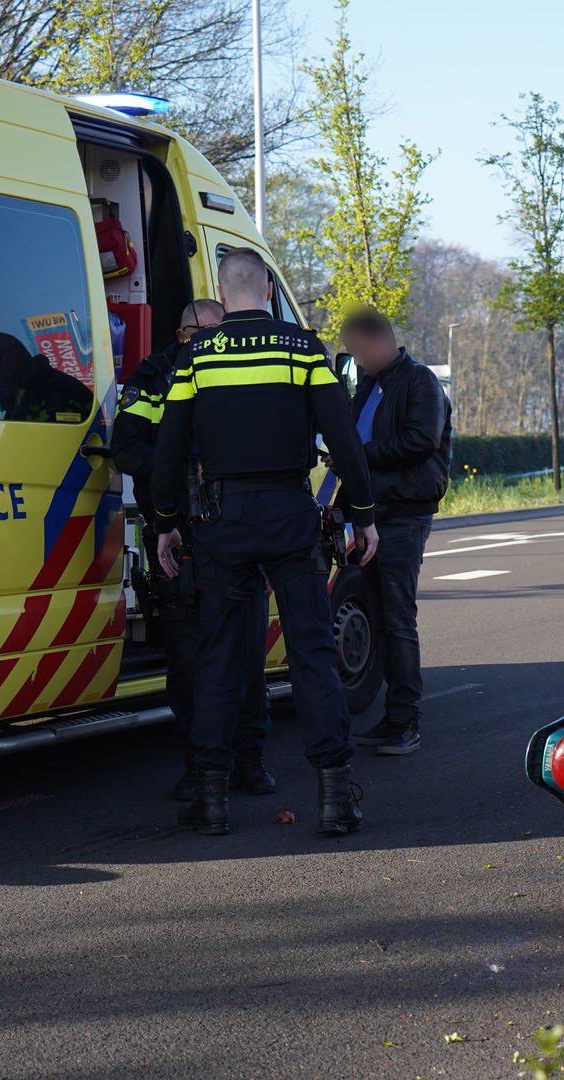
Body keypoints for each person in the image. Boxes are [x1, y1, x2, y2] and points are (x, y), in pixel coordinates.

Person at [152, 249, 379, 837]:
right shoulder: (303, 349)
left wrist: (167, 523)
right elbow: (345, 442)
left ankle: (211, 797)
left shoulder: (194, 356)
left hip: (221, 521)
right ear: (269, 292)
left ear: (223, 297)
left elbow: (168, 450)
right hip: (289, 514)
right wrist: (363, 515)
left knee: (221, 656)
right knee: (311, 652)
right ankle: (334, 796)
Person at [113, 300, 277, 803]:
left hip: (235, 532)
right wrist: (178, 471)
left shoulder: (239, 368)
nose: (215, 342)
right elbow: (126, 446)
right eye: (206, 333)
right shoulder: (156, 374)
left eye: (219, 332)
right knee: (189, 659)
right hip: (178, 534)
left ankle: (250, 759)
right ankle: (200, 767)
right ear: (184, 334)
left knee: (249, 652)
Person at [336, 308, 451, 756]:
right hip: (370, 512)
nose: (358, 362)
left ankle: (405, 720)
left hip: (403, 513)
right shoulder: (369, 384)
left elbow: (421, 440)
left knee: (398, 619)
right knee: (381, 616)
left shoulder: (419, 381)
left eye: (360, 352)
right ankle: (392, 718)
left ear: (381, 341)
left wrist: (359, 454)